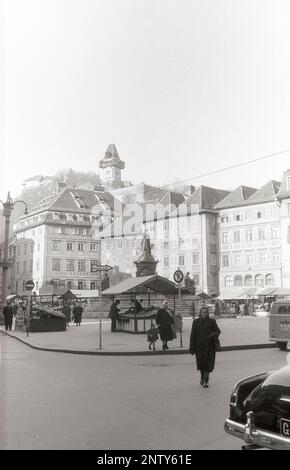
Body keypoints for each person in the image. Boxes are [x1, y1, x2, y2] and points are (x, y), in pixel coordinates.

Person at [189, 306, 221, 388]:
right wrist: (191, 347)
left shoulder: (212, 321)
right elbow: (193, 335)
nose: (204, 314)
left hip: (209, 346)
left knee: (208, 363)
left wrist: (212, 334)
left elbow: (218, 331)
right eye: (203, 312)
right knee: (201, 363)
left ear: (208, 313)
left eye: (206, 312)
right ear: (200, 313)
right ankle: (202, 376)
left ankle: (206, 379)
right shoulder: (196, 322)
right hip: (199, 347)